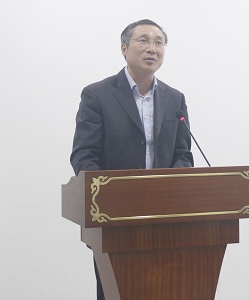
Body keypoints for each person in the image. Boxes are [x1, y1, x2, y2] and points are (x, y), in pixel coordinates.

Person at [70, 19, 194, 299]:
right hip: (114, 220)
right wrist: (105, 197)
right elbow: (84, 155)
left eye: (159, 42)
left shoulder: (175, 98)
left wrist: (173, 186)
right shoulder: (97, 95)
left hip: (164, 218)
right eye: (143, 41)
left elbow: (183, 155)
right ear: (124, 49)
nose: (152, 48)